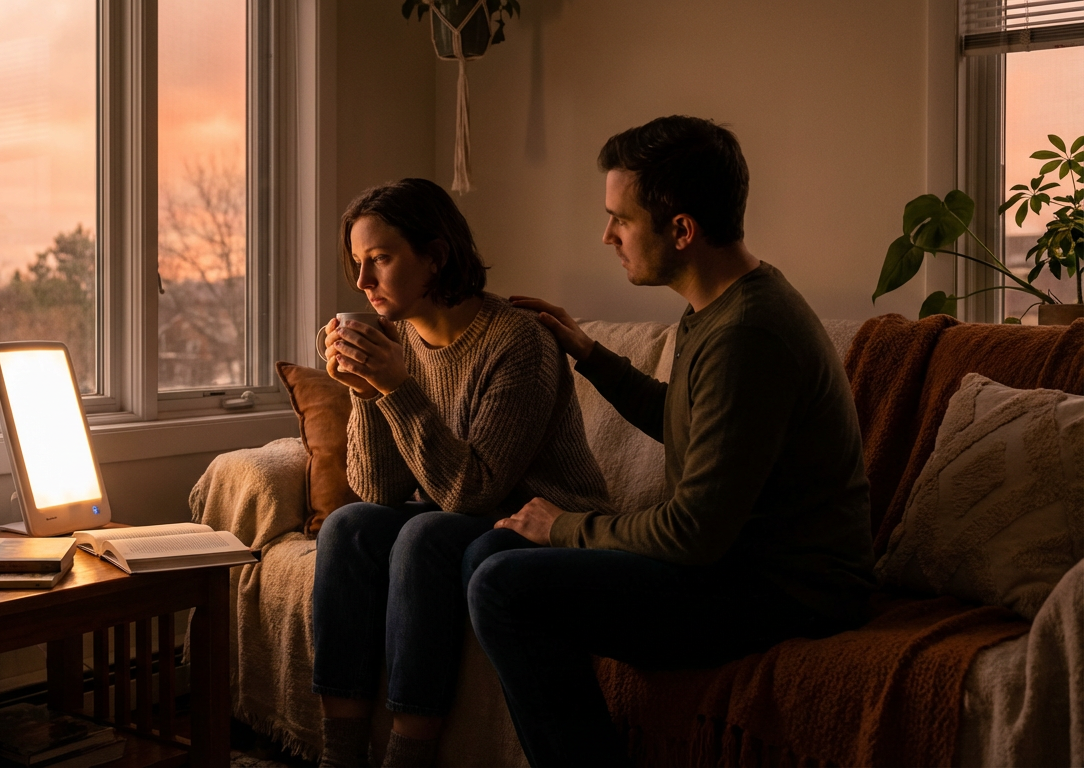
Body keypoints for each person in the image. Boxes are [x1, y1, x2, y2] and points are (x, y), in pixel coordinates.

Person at [464, 116, 877, 767]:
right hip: (732, 562)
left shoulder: (749, 333)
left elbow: (692, 533)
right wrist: (589, 352)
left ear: (681, 230)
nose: (606, 237)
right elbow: (690, 423)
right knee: (490, 551)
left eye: (620, 221)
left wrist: (565, 526)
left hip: (785, 587)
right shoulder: (717, 306)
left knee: (504, 586)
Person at [312, 178, 609, 768]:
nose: (363, 283)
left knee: (425, 535)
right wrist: (366, 393)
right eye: (357, 264)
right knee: (348, 526)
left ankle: (409, 755)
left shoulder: (517, 342)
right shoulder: (400, 342)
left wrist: (395, 387)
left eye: (380, 260)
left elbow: (474, 491)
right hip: (467, 513)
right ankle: (338, 754)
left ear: (436, 256)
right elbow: (379, 491)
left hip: (542, 520)